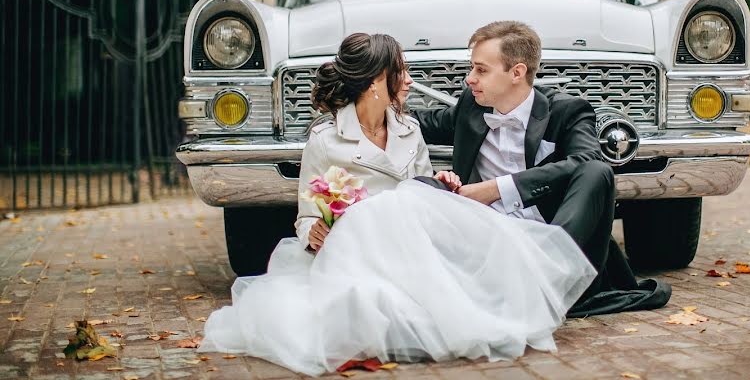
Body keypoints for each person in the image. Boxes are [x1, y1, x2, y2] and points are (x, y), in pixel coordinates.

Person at [199, 32, 597, 376]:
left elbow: (418, 191)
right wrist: (313, 232)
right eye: (400, 73)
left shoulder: (409, 130)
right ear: (376, 82)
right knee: (367, 304)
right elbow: (306, 214)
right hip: (353, 247)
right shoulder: (325, 140)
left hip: (408, 247)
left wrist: (441, 183)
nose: (409, 80)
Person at [413, 21, 671, 316]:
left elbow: (588, 161)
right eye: (472, 68)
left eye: (481, 70)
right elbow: (415, 123)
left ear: (517, 73)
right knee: (424, 186)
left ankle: (548, 275)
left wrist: (495, 189)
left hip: (558, 243)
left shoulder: (567, 111)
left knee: (596, 172)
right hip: (490, 242)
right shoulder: (470, 109)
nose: (470, 78)